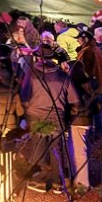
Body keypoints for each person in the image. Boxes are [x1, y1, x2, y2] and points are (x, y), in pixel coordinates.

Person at [21, 49, 78, 193]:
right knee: (57, 149)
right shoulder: (62, 76)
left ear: (38, 58)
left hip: (36, 116)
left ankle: (39, 181)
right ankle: (58, 182)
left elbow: (24, 95)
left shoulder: (32, 74)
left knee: (39, 148)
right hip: (57, 117)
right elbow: (74, 99)